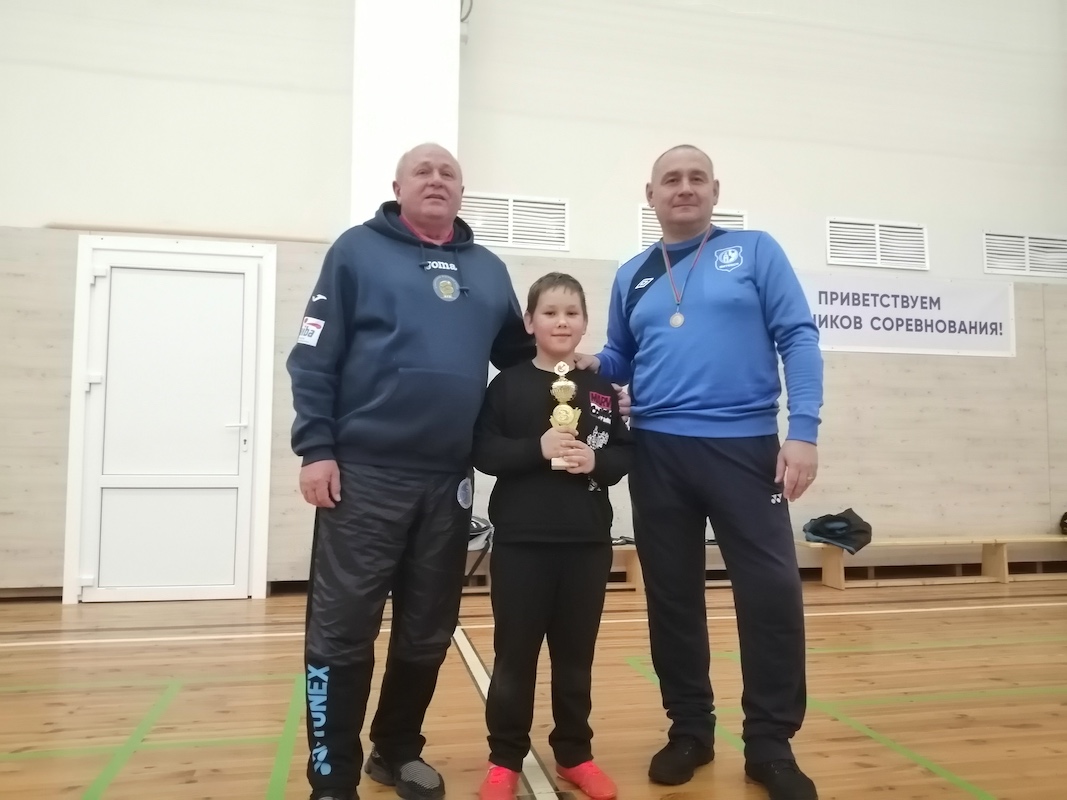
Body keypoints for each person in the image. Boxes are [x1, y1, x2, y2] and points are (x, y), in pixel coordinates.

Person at [286, 142, 537, 800]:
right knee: (343, 630)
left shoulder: (488, 270)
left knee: (427, 630)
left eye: (448, 172)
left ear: (461, 192)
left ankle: (395, 751)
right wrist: (316, 447)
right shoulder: (355, 251)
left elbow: (522, 360)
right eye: (422, 171)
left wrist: (579, 372)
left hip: (448, 482)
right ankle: (332, 776)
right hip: (362, 476)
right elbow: (312, 356)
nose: (436, 179)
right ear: (397, 187)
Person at [578, 145, 823, 800]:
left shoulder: (755, 251)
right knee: (672, 596)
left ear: (714, 190)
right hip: (657, 452)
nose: (683, 188)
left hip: (745, 449)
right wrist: (585, 364)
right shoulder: (632, 274)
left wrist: (802, 432)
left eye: (695, 178)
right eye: (671, 179)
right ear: (651, 195)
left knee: (770, 593)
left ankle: (769, 744)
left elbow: (798, 337)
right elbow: (621, 356)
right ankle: (689, 729)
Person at [471, 273, 633, 800]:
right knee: (514, 658)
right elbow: (484, 452)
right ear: (529, 322)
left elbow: (624, 453)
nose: (561, 322)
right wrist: (536, 449)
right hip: (522, 544)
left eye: (571, 313)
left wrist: (595, 462)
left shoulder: (601, 389)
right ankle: (504, 759)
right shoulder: (507, 385)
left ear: (585, 323)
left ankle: (574, 755)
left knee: (575, 660)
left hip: (586, 543)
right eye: (550, 312)